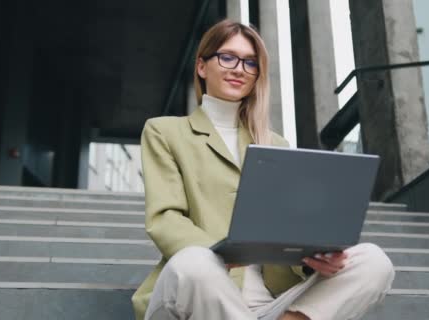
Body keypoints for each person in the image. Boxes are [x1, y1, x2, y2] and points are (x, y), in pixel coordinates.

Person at [131, 19, 395, 320]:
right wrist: (224, 254)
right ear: (202, 67)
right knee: (195, 261)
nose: (239, 68)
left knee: (374, 261)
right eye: (227, 57)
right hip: (197, 295)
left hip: (271, 303)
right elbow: (164, 220)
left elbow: (290, 228)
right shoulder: (164, 132)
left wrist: (312, 259)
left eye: (250, 62)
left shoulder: (275, 144)